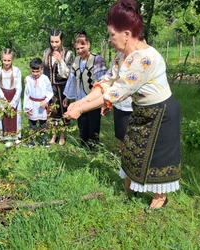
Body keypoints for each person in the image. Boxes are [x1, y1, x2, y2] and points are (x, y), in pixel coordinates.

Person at [64, 0, 181, 211]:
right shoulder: (122, 56)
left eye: (111, 34)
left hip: (162, 112)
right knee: (131, 150)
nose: (109, 39)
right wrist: (79, 102)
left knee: (157, 156)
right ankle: (131, 191)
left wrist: (81, 109)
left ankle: (159, 197)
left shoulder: (145, 59)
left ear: (126, 34)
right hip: (142, 109)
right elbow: (106, 83)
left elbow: (116, 92)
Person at [63, 31, 108, 150]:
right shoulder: (76, 61)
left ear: (88, 44)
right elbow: (72, 79)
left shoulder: (97, 60)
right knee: (82, 124)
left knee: (93, 125)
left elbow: (102, 81)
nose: (80, 51)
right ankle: (83, 146)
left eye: (82, 47)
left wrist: (104, 102)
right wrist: (67, 97)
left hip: (93, 98)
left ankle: (93, 149)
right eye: (77, 49)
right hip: (80, 98)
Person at [43, 28, 74, 145]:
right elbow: (44, 70)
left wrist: (61, 60)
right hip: (50, 88)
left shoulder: (68, 54)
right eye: (52, 42)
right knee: (52, 113)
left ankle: (62, 135)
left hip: (63, 88)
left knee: (63, 112)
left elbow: (68, 74)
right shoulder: (46, 53)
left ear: (61, 41)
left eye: (57, 42)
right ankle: (54, 134)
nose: (54, 44)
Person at [0, 48, 22, 147]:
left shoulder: (17, 71)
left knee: (15, 116)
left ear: (12, 59)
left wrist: (14, 102)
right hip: (3, 96)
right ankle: (6, 136)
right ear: (1, 59)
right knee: (5, 116)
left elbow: (19, 87)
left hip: (14, 95)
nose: (6, 63)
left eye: (9, 60)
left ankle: (16, 136)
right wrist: (4, 102)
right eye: (5, 60)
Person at [23, 58, 53, 147]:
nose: (35, 74)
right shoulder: (28, 79)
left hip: (41, 105)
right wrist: (26, 107)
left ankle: (43, 141)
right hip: (32, 104)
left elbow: (50, 92)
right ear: (30, 70)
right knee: (32, 124)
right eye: (33, 71)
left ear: (42, 69)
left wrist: (45, 101)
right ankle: (31, 142)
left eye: (37, 71)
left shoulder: (45, 78)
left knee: (43, 124)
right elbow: (26, 94)